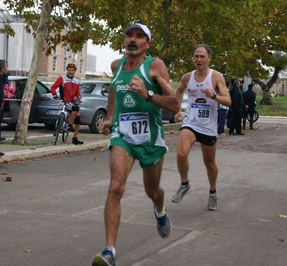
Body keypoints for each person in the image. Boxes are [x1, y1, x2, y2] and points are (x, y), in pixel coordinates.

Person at [92, 23, 179, 266]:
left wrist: (148, 95)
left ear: (147, 44)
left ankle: (160, 210)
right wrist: (110, 117)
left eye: (139, 37)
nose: (133, 40)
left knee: (152, 191)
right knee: (116, 187)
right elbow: (113, 91)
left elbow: (174, 104)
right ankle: (109, 251)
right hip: (123, 135)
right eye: (129, 35)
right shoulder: (116, 66)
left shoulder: (155, 65)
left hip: (150, 137)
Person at [172, 44, 231, 211]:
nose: (198, 59)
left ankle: (212, 192)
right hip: (190, 122)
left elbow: (228, 101)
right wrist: (178, 110)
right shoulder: (187, 77)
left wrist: (213, 95)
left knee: (210, 164)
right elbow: (179, 91)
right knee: (181, 153)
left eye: (202, 57)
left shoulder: (216, 77)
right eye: (196, 56)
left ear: (209, 58)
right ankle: (185, 184)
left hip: (208, 127)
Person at [50, 63, 84, 145]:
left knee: (78, 120)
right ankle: (66, 125)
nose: (70, 72)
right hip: (63, 101)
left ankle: (75, 138)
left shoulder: (77, 81)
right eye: (69, 70)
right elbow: (53, 87)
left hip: (72, 102)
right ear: (67, 70)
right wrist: (54, 95)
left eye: (72, 70)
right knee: (69, 111)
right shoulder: (62, 79)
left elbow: (77, 93)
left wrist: (78, 97)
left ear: (75, 72)